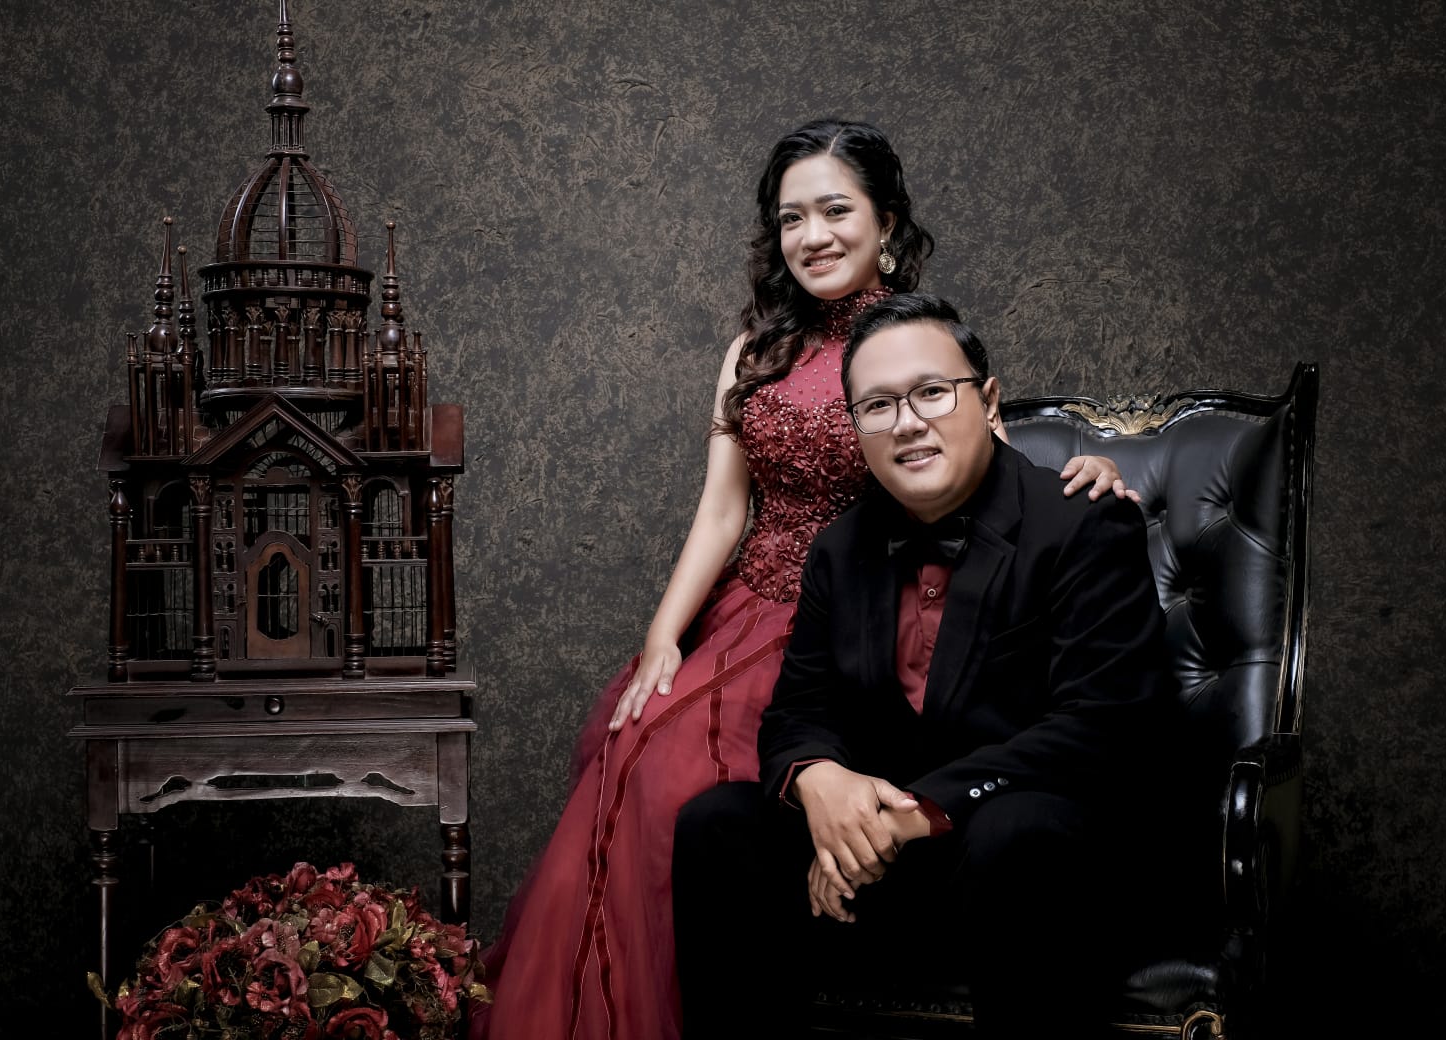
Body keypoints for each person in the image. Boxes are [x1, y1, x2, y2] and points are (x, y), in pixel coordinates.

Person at [472, 120, 1136, 1040]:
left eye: (835, 210)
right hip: (804, 600)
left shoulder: (921, 343)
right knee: (659, 776)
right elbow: (723, 510)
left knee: (956, 815)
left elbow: (984, 473)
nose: (813, 235)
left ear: (886, 222)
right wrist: (667, 640)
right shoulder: (757, 354)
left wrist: (1092, 476)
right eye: (792, 219)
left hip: (899, 641)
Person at [671, 292, 1180, 1040]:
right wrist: (821, 781)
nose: (907, 423)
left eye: (932, 392)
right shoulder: (839, 549)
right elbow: (797, 711)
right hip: (892, 873)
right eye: (877, 406)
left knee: (1015, 833)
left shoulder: (1083, 521)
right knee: (717, 826)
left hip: (1035, 857)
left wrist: (907, 816)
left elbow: (1104, 724)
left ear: (989, 400)